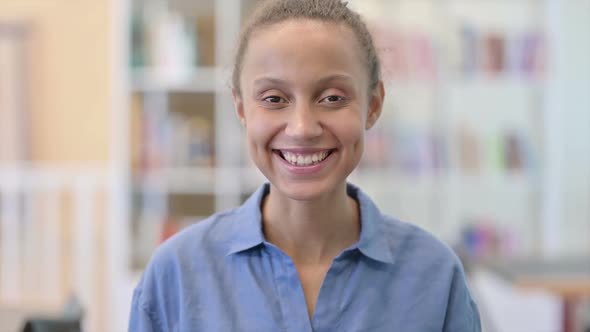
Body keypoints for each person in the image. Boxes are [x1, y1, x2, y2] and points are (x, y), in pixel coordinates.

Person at [129, 0, 482, 331]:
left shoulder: (435, 276)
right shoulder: (176, 273)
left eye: (331, 98)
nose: (302, 128)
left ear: (373, 105)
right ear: (241, 109)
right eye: (273, 99)